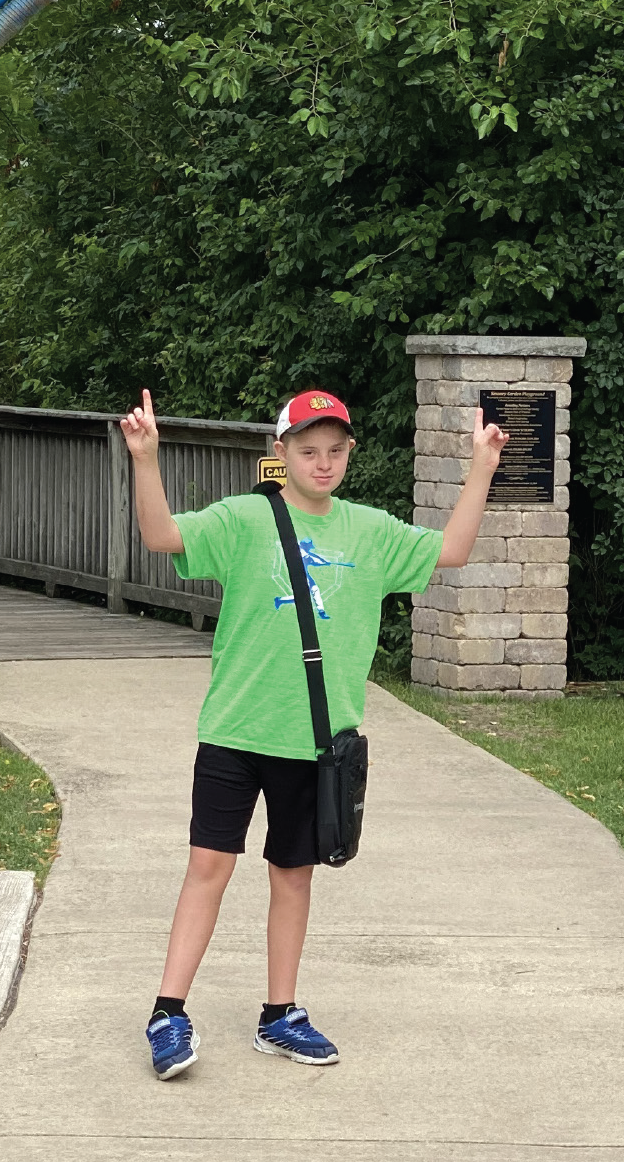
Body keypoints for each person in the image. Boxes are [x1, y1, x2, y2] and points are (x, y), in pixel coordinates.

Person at [119, 385, 508, 1079]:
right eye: (308, 451)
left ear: (348, 453)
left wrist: (482, 466)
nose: (322, 463)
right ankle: (167, 1011)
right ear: (282, 453)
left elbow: (451, 548)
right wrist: (146, 459)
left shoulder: (370, 531)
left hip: (317, 742)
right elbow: (161, 536)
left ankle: (280, 1015)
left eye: (334, 450)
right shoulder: (243, 519)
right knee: (209, 866)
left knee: (292, 874)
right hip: (237, 729)